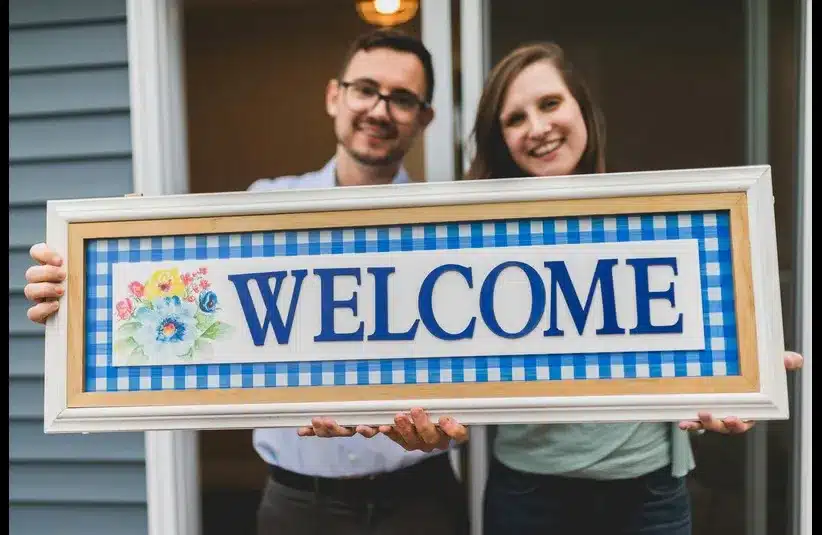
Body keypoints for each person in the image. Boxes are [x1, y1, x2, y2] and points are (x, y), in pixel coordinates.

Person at [300, 41, 805, 535]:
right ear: (501, 139)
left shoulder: (657, 225)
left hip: (649, 491)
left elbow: (704, 343)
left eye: (549, 103)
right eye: (515, 118)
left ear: (582, 109)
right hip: (529, 495)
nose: (537, 128)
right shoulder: (474, 242)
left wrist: (744, 378)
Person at [22, 29, 467, 535]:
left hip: (419, 505)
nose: (380, 110)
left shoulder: (446, 229)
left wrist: (447, 427)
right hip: (298, 505)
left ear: (425, 117)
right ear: (333, 96)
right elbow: (185, 296)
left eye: (403, 99)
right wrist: (84, 284)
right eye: (365, 89)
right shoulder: (263, 207)